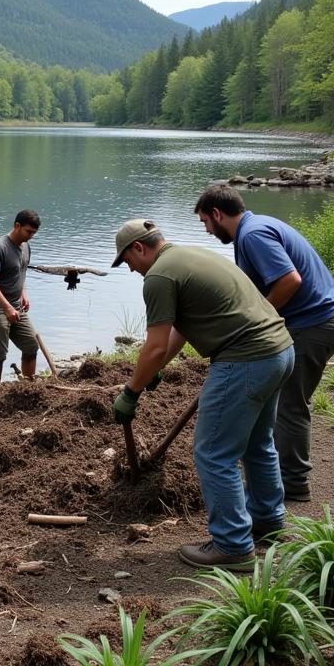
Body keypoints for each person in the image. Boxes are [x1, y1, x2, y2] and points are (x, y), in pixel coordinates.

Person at [110, 218, 295, 571]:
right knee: (258, 442)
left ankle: (232, 545)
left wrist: (130, 392)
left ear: (139, 248)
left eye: (127, 261)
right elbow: (179, 330)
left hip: (245, 360)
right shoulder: (189, 256)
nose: (130, 270)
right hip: (279, 351)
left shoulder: (159, 276)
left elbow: (153, 344)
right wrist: (157, 368)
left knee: (213, 453)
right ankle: (268, 521)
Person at [193, 185, 334, 502]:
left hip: (313, 324)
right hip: (315, 320)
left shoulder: (253, 235)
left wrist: (259, 320)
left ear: (218, 214)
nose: (207, 231)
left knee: (290, 404)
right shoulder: (254, 228)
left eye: (205, 222)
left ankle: (293, 482)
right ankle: (280, 475)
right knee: (282, 402)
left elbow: (290, 281)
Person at [0, 209, 41, 384]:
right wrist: (7, 307)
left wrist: (23, 293)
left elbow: (20, 272)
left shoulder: (26, 247)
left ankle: (27, 388)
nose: (31, 236)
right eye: (28, 232)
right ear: (17, 226)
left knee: (31, 345)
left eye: (34, 233)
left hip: (16, 306)